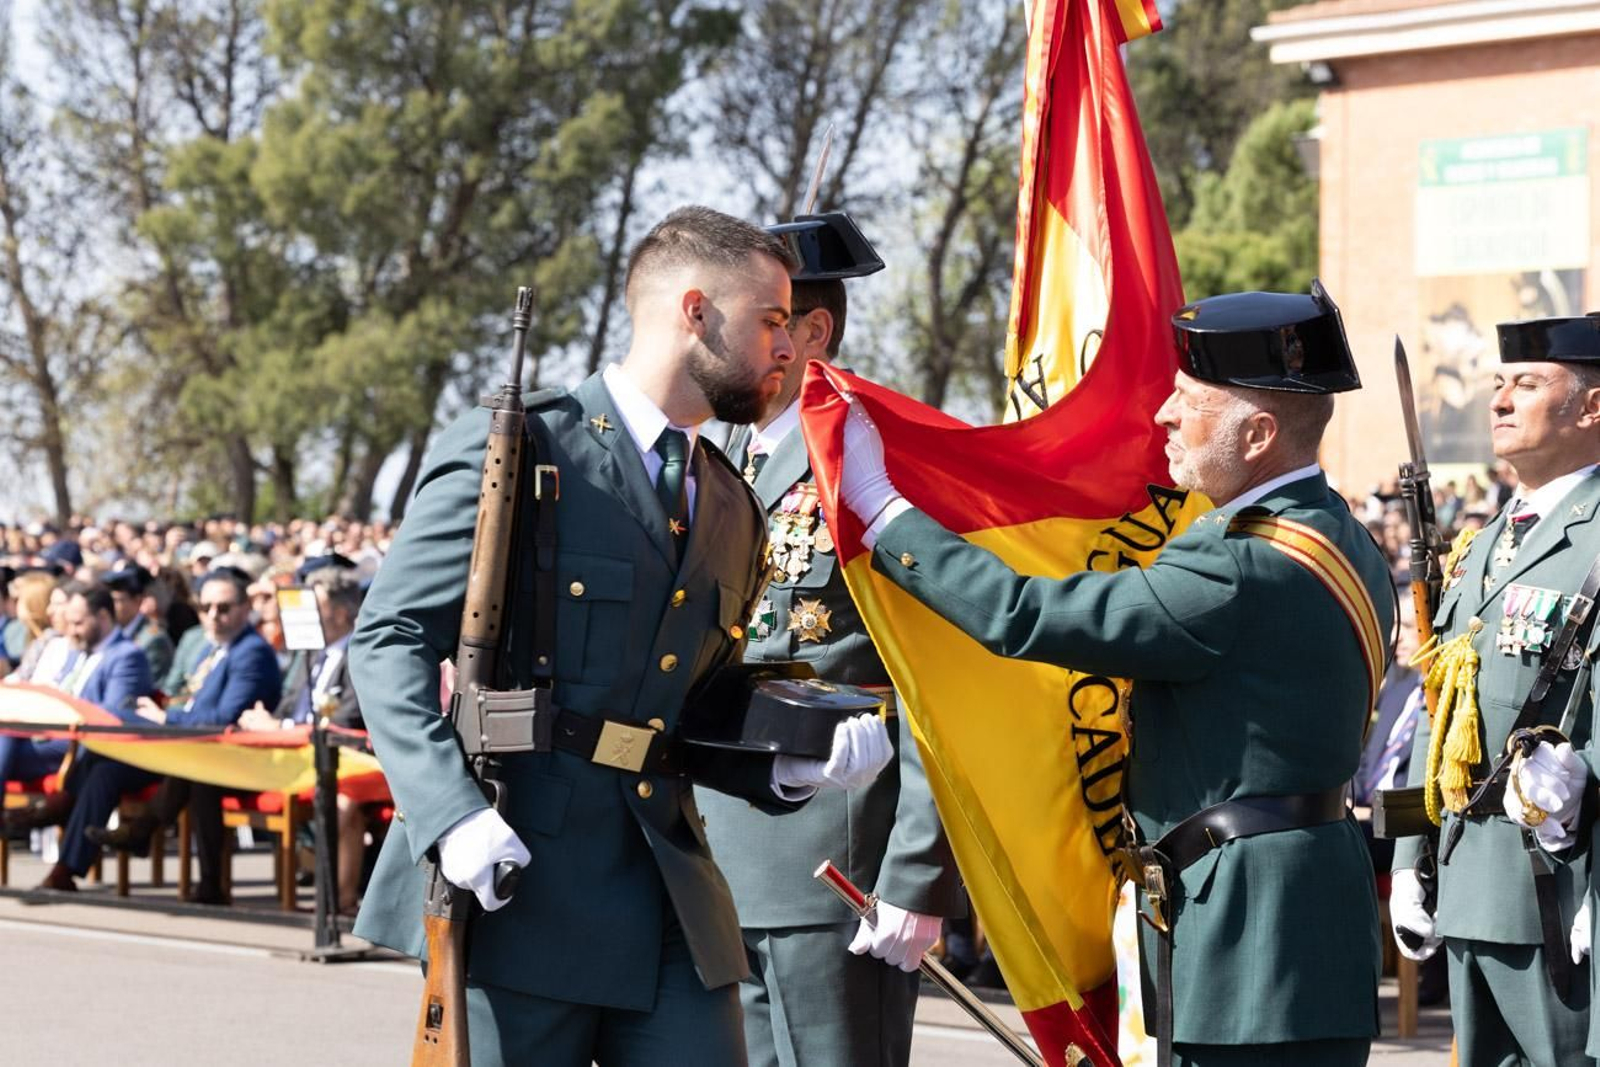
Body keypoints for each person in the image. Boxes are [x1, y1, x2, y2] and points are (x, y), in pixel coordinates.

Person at [350, 205, 895, 1066]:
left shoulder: (726, 500)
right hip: (520, 876)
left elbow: (692, 699)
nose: (789, 348)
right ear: (694, 311)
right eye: (771, 321)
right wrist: (449, 813)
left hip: (669, 892)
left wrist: (778, 763)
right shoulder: (526, 449)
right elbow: (387, 640)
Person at [837, 284, 1393, 1065]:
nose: (1164, 415)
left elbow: (1023, 614)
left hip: (1248, 941)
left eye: (1188, 400)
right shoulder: (1340, 535)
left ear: (1259, 432)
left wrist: (881, 507)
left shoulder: (1236, 564)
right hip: (1294, 922)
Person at [699, 212, 962, 1067]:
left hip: (835, 864)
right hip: (718, 857)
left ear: (813, 331)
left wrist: (916, 874)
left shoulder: (871, 469)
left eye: (764, 320)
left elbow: (935, 680)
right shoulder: (719, 463)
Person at [1394, 313, 1600, 1066]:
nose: (1501, 401)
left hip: (1561, 890)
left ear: (1591, 406)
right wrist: (1409, 856)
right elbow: (1438, 709)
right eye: (1497, 385)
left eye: (1528, 383)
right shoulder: (1482, 544)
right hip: (1469, 880)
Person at [13, 582, 155, 890]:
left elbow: (111, 718)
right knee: (7, 737)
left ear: (102, 617)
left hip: (117, 750)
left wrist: (64, 716)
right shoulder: (79, 653)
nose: (72, 630)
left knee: (101, 770)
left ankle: (63, 855)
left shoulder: (126, 656)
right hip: (73, 744)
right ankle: (54, 815)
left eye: (78, 622)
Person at [104, 564, 176, 683]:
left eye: (117, 601)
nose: (111, 607)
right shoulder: (111, 631)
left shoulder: (153, 640)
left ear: (137, 601)